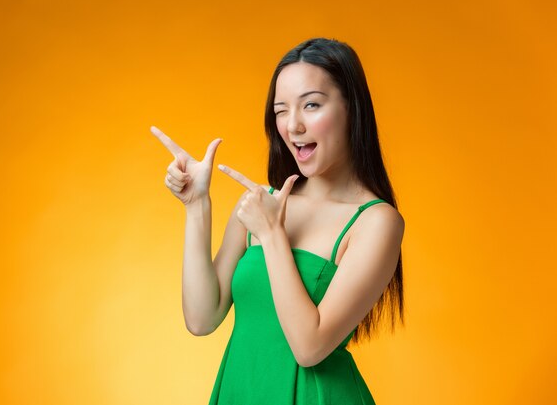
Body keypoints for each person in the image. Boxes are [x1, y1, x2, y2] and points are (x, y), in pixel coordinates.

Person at [151, 37, 405, 405]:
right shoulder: (261, 204)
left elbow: (309, 347)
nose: (293, 125)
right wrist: (196, 205)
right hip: (242, 391)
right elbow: (202, 319)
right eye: (281, 110)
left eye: (312, 105)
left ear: (352, 108)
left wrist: (272, 235)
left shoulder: (377, 222)